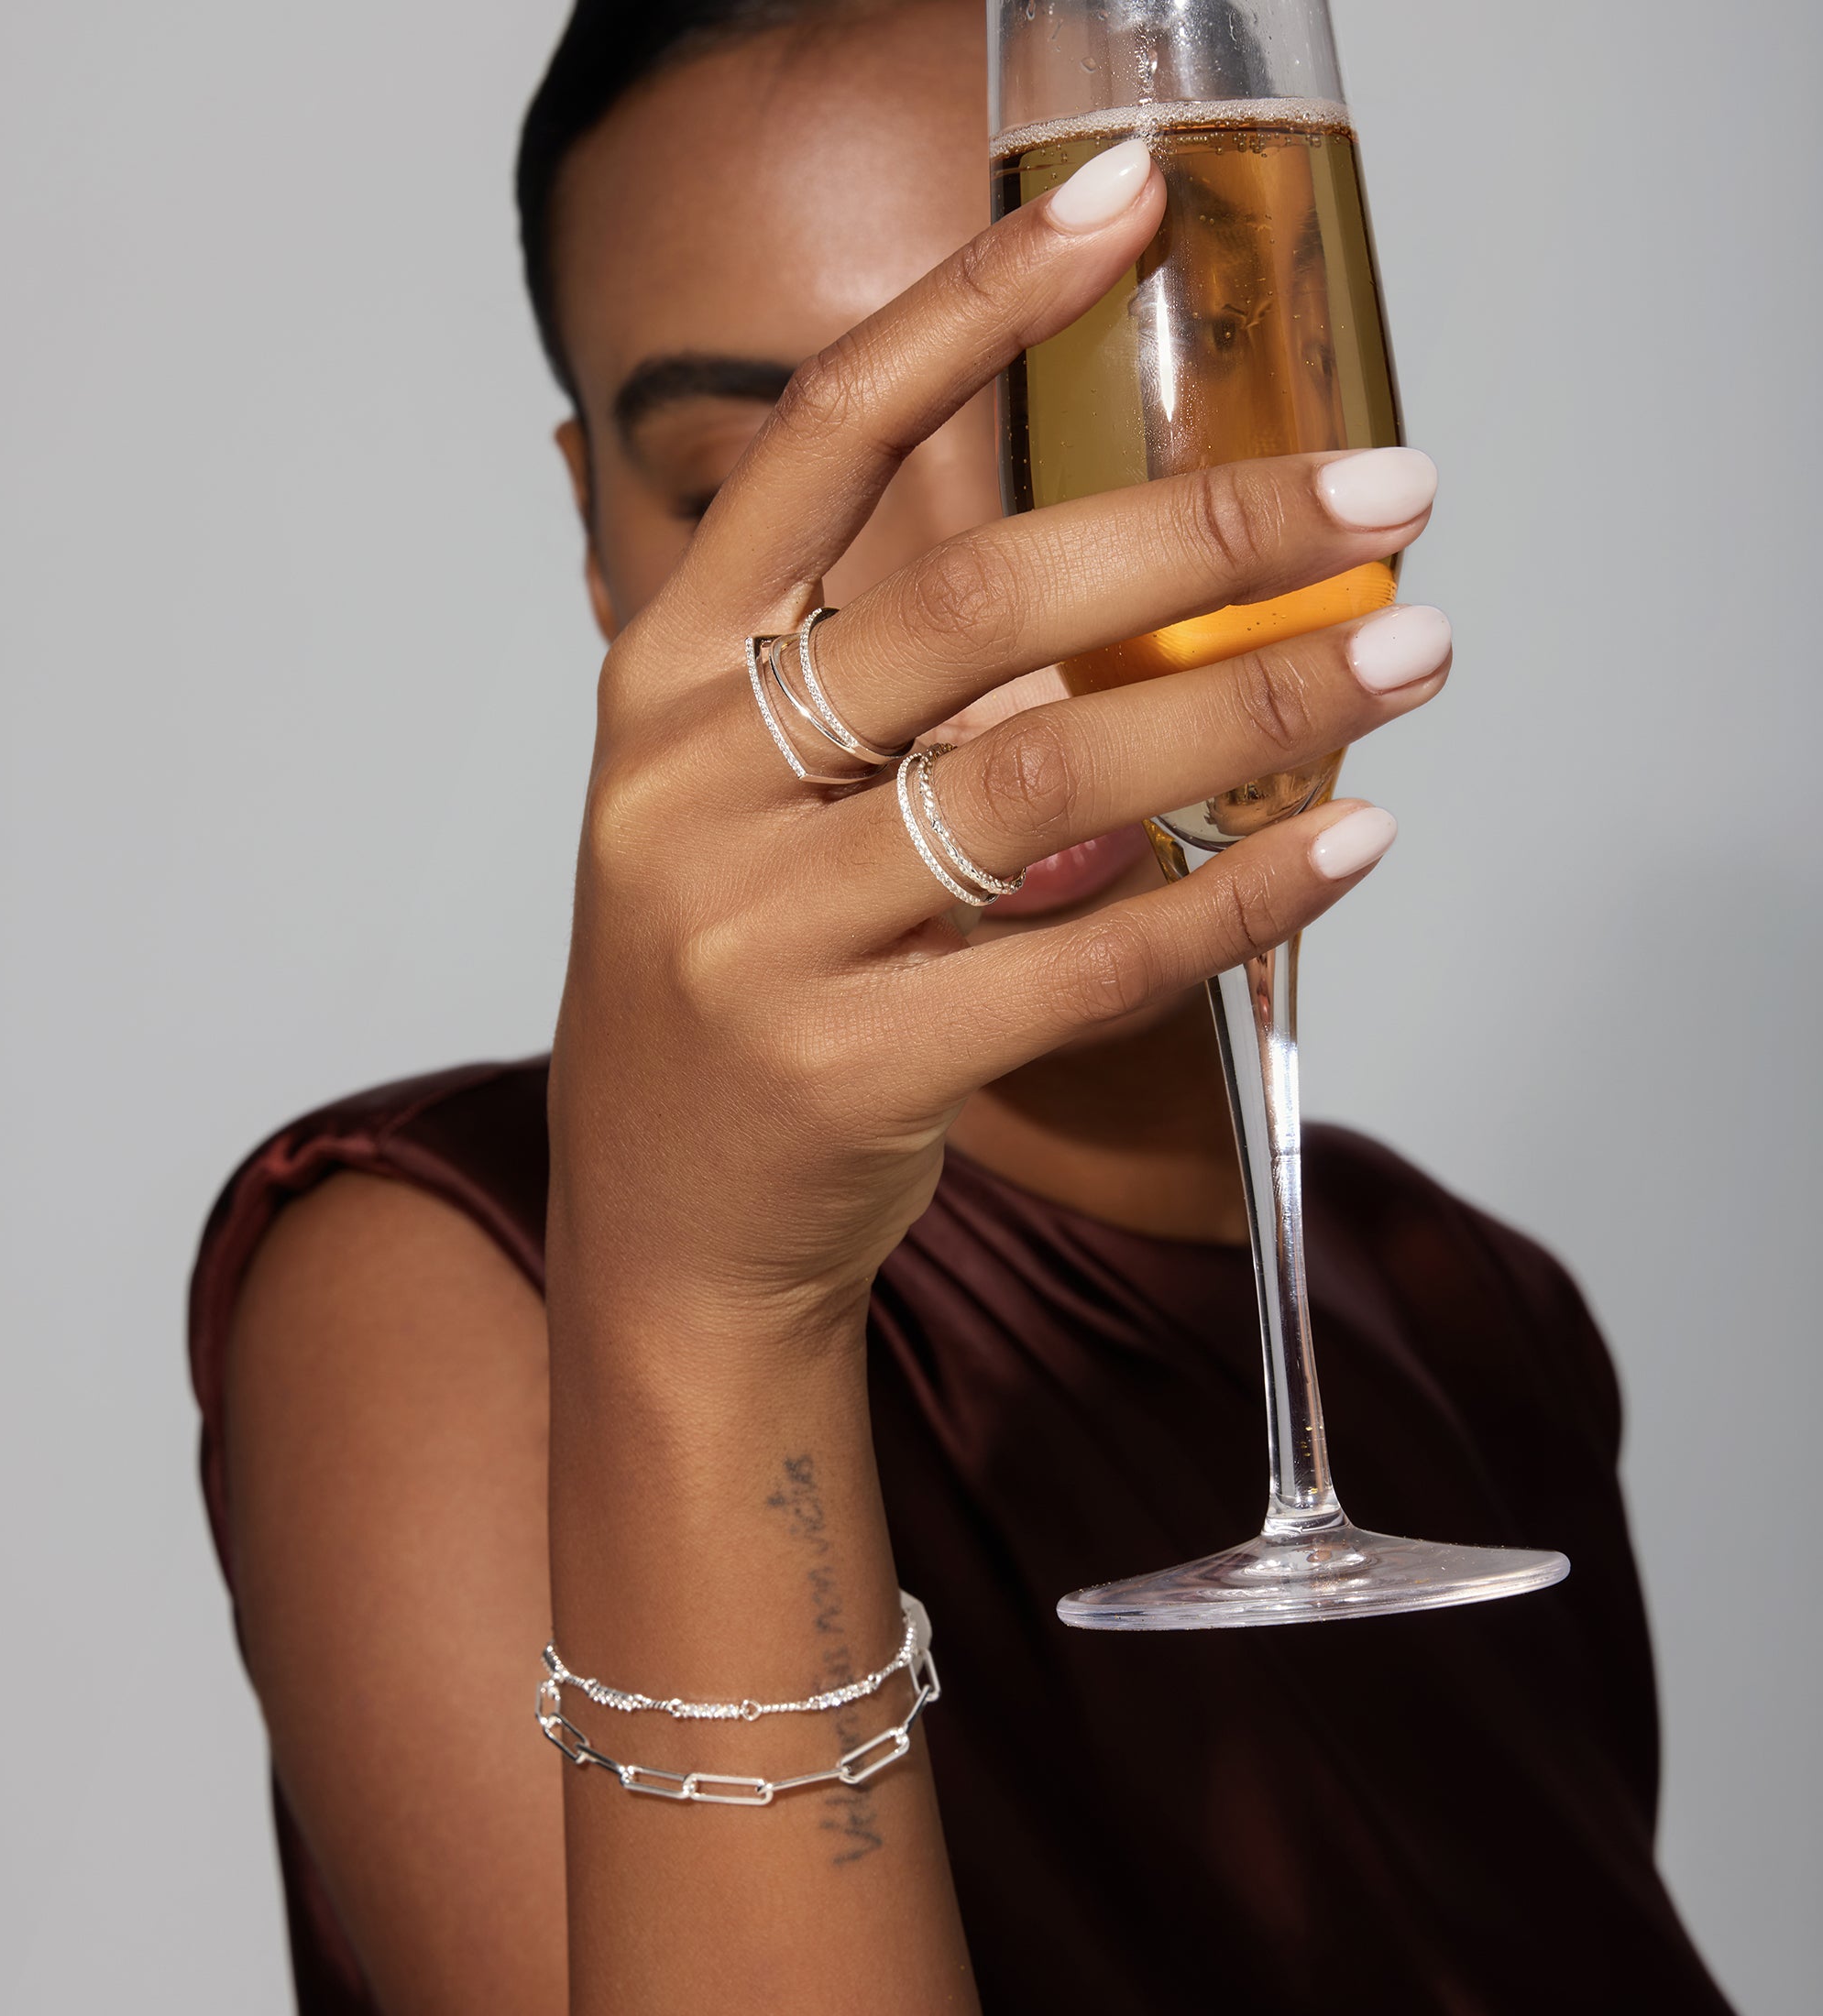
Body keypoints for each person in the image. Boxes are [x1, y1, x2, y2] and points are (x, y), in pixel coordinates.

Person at [189, 3, 1735, 2011]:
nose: (960, 618)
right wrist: (703, 1326)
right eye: (758, 476)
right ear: (598, 542)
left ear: (1302, 390)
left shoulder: (1470, 1313)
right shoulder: (448, 1272)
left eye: (1064, 409)